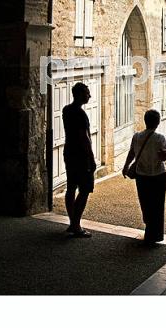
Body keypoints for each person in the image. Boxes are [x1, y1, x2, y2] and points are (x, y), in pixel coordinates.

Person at [122, 109, 166, 245]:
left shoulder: (137, 136)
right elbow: (163, 157)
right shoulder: (160, 138)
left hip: (142, 175)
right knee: (158, 204)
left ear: (145, 121)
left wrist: (126, 166)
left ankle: (149, 229)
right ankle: (155, 234)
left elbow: (131, 153)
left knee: (145, 202)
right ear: (158, 122)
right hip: (158, 175)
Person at [62, 82, 97, 237]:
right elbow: (84, 138)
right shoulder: (80, 115)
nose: (89, 95)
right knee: (84, 190)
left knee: (71, 187)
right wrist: (91, 158)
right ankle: (76, 225)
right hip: (81, 156)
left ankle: (72, 223)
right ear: (80, 95)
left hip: (69, 152)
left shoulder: (66, 110)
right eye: (87, 93)